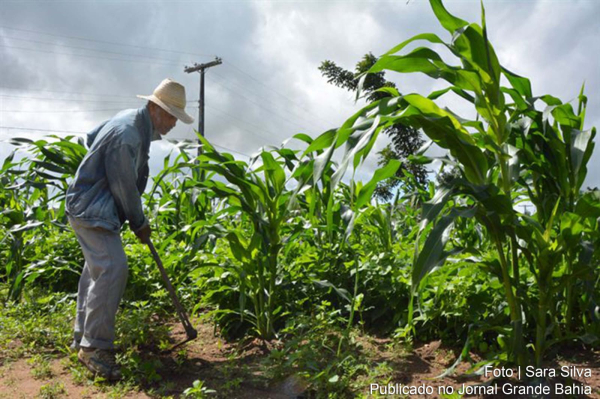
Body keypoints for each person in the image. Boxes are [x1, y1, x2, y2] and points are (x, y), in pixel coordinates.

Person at [65, 78, 194, 380]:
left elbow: (91, 136)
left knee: (96, 270)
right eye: (171, 114)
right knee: (112, 268)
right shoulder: (128, 135)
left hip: (87, 203)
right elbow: (123, 186)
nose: (174, 122)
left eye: (176, 116)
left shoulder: (130, 121)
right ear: (154, 107)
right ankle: (95, 349)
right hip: (92, 209)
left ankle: (81, 339)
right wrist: (139, 223)